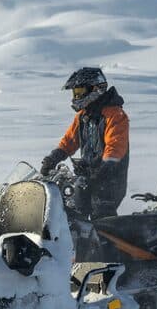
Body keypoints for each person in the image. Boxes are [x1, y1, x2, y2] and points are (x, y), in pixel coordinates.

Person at [40, 67, 129, 220]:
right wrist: (52, 159)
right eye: (75, 93)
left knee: (101, 219)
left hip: (109, 180)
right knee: (73, 215)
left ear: (95, 89)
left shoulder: (115, 115)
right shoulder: (83, 116)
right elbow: (69, 141)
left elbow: (115, 146)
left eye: (80, 92)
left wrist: (105, 167)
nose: (76, 97)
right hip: (87, 177)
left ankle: (109, 236)